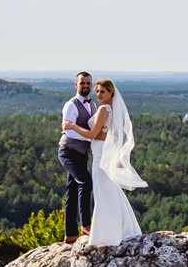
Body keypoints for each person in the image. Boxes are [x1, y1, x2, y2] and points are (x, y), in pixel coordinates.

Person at [61, 78, 145, 246]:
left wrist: (72, 126)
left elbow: (92, 134)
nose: (99, 94)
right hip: (100, 151)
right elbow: (107, 133)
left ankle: (104, 233)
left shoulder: (103, 109)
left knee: (101, 191)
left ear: (111, 93)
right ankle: (119, 229)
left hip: (99, 154)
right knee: (109, 190)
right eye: (97, 91)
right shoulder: (112, 108)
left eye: (102, 91)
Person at [58, 72, 97, 242]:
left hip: (82, 154)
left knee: (72, 192)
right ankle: (86, 224)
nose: (86, 86)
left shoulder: (93, 105)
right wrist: (90, 136)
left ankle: (70, 235)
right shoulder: (71, 105)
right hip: (68, 151)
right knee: (85, 182)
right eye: (82, 83)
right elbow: (69, 131)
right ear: (76, 84)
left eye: (88, 83)